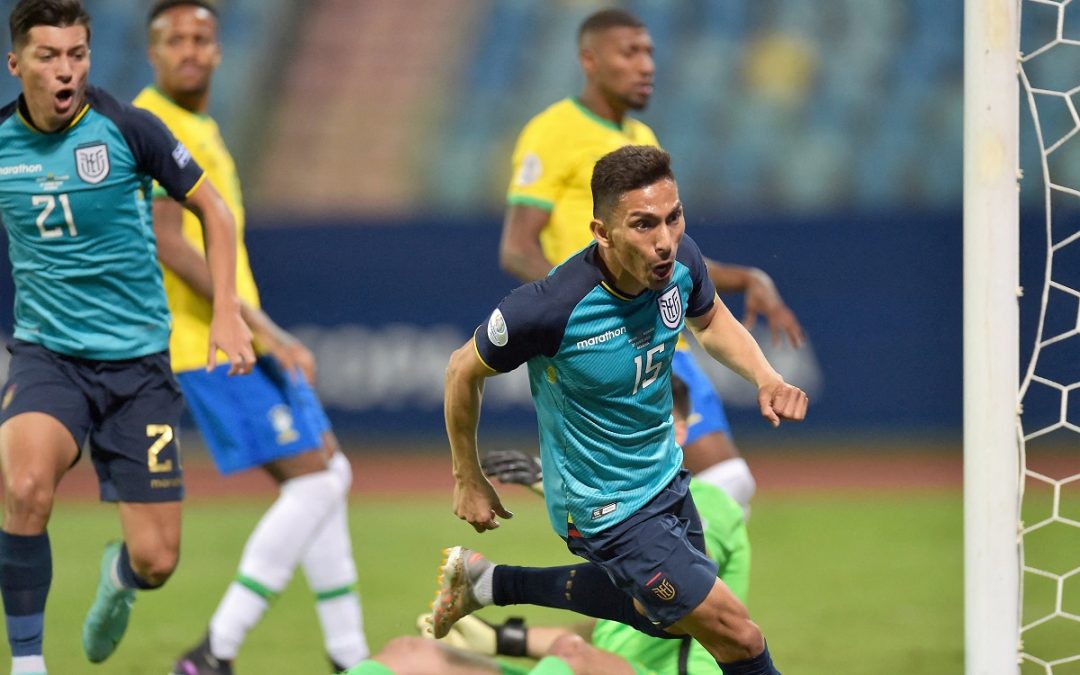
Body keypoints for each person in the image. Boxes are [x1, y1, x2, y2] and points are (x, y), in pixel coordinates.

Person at [437, 145, 806, 674]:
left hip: (664, 478)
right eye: (643, 225)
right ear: (601, 231)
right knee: (738, 635)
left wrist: (765, 377)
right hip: (603, 506)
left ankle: (487, 582)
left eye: (673, 218)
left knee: (668, 619)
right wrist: (466, 476)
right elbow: (460, 371)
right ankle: (492, 584)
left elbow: (711, 320)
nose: (664, 241)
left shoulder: (681, 262)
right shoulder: (550, 308)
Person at [0, 0, 254, 672]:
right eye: (49, 56)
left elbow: (213, 210)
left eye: (77, 55)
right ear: (16, 62)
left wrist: (226, 310)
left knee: (157, 558)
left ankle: (120, 580)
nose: (65, 71)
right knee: (24, 485)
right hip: (47, 356)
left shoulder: (127, 128)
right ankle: (27, 662)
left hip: (139, 370)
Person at [129, 2, 369, 672]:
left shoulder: (199, 123)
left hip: (237, 338)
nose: (189, 50)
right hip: (205, 342)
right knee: (317, 483)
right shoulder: (153, 126)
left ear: (219, 52)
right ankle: (216, 649)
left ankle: (348, 654)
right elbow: (169, 242)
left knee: (329, 472)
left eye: (201, 38)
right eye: (174, 39)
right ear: (153, 52)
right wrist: (260, 323)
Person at [499, 8, 805, 519]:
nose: (647, 65)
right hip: (613, 343)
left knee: (693, 505)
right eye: (630, 52)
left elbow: (671, 251)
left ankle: (528, 560)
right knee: (722, 487)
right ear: (589, 60)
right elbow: (516, 247)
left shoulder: (642, 138)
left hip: (662, 337)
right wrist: (577, 314)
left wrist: (746, 278)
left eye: (650, 53)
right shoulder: (553, 131)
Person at [346, 375, 750, 675]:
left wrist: (504, 583)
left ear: (679, 429)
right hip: (590, 666)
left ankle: (491, 583)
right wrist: (502, 639)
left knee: (570, 654)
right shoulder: (608, 518)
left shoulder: (702, 501)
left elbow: (673, 591)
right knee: (409, 655)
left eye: (649, 421)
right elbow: (607, 628)